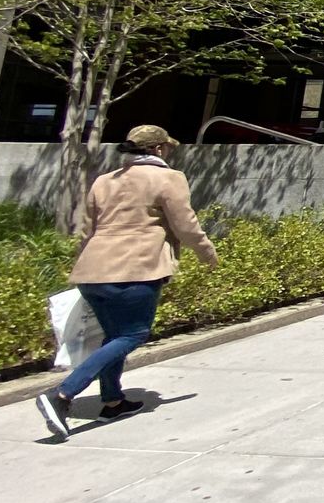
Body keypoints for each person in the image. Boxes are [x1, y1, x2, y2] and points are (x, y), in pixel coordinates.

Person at [36, 124, 218, 441]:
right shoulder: (168, 178)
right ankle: (62, 394)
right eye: (167, 147)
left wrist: (86, 264)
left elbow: (87, 231)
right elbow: (186, 225)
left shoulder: (104, 181)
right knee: (133, 334)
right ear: (158, 149)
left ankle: (113, 401)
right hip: (136, 269)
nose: (169, 152)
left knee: (113, 337)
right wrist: (208, 254)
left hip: (92, 271)